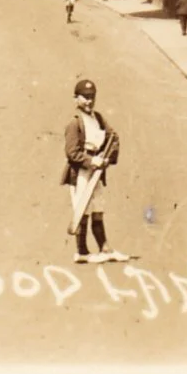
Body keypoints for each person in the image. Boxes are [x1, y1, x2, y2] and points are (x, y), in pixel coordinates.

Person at [62, 79, 126, 263]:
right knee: (83, 210)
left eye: (92, 98)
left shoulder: (98, 118)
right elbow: (72, 152)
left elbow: (113, 136)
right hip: (81, 172)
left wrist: (107, 158)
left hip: (97, 171)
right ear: (76, 99)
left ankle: (105, 248)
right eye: (85, 98)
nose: (89, 102)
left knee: (98, 208)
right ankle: (82, 251)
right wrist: (91, 161)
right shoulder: (75, 123)